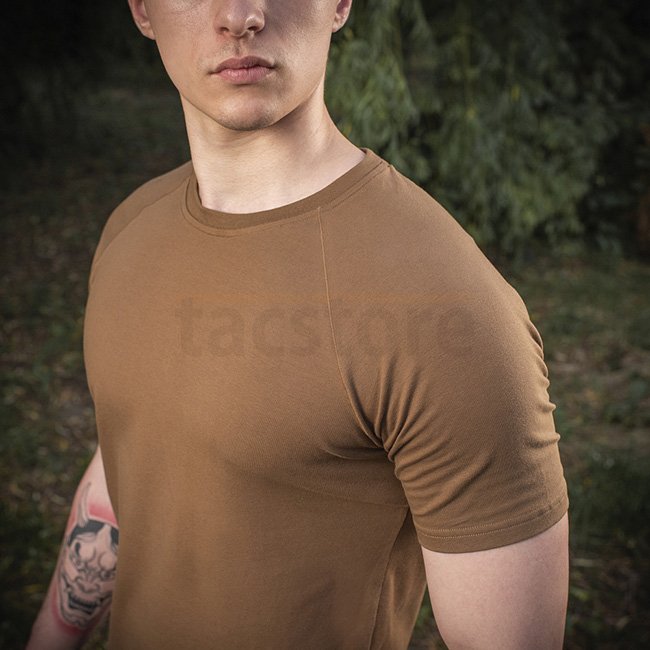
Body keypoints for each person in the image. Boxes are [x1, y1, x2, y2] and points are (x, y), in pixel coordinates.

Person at [27, 1, 570, 648]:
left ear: (339, 3)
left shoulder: (452, 315)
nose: (240, 15)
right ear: (143, 10)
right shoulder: (131, 228)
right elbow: (134, 458)